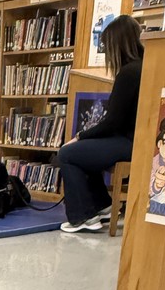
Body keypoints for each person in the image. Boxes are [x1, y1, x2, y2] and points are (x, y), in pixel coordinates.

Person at [56, 15, 144, 233]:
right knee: (84, 152)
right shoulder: (145, 66)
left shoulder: (128, 73)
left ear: (117, 45)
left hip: (129, 141)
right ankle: (102, 205)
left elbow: (112, 122)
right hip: (138, 138)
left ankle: (82, 216)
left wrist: (81, 136)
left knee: (67, 154)